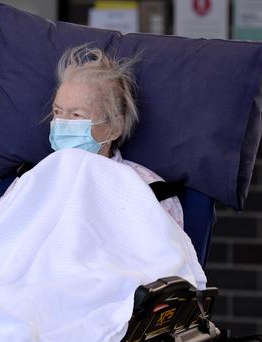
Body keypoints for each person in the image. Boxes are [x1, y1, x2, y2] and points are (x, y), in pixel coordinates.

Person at [48, 46, 184, 227]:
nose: (62, 122)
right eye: (58, 111)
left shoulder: (148, 192)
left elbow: (163, 252)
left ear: (114, 128)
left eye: (77, 115)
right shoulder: (30, 180)